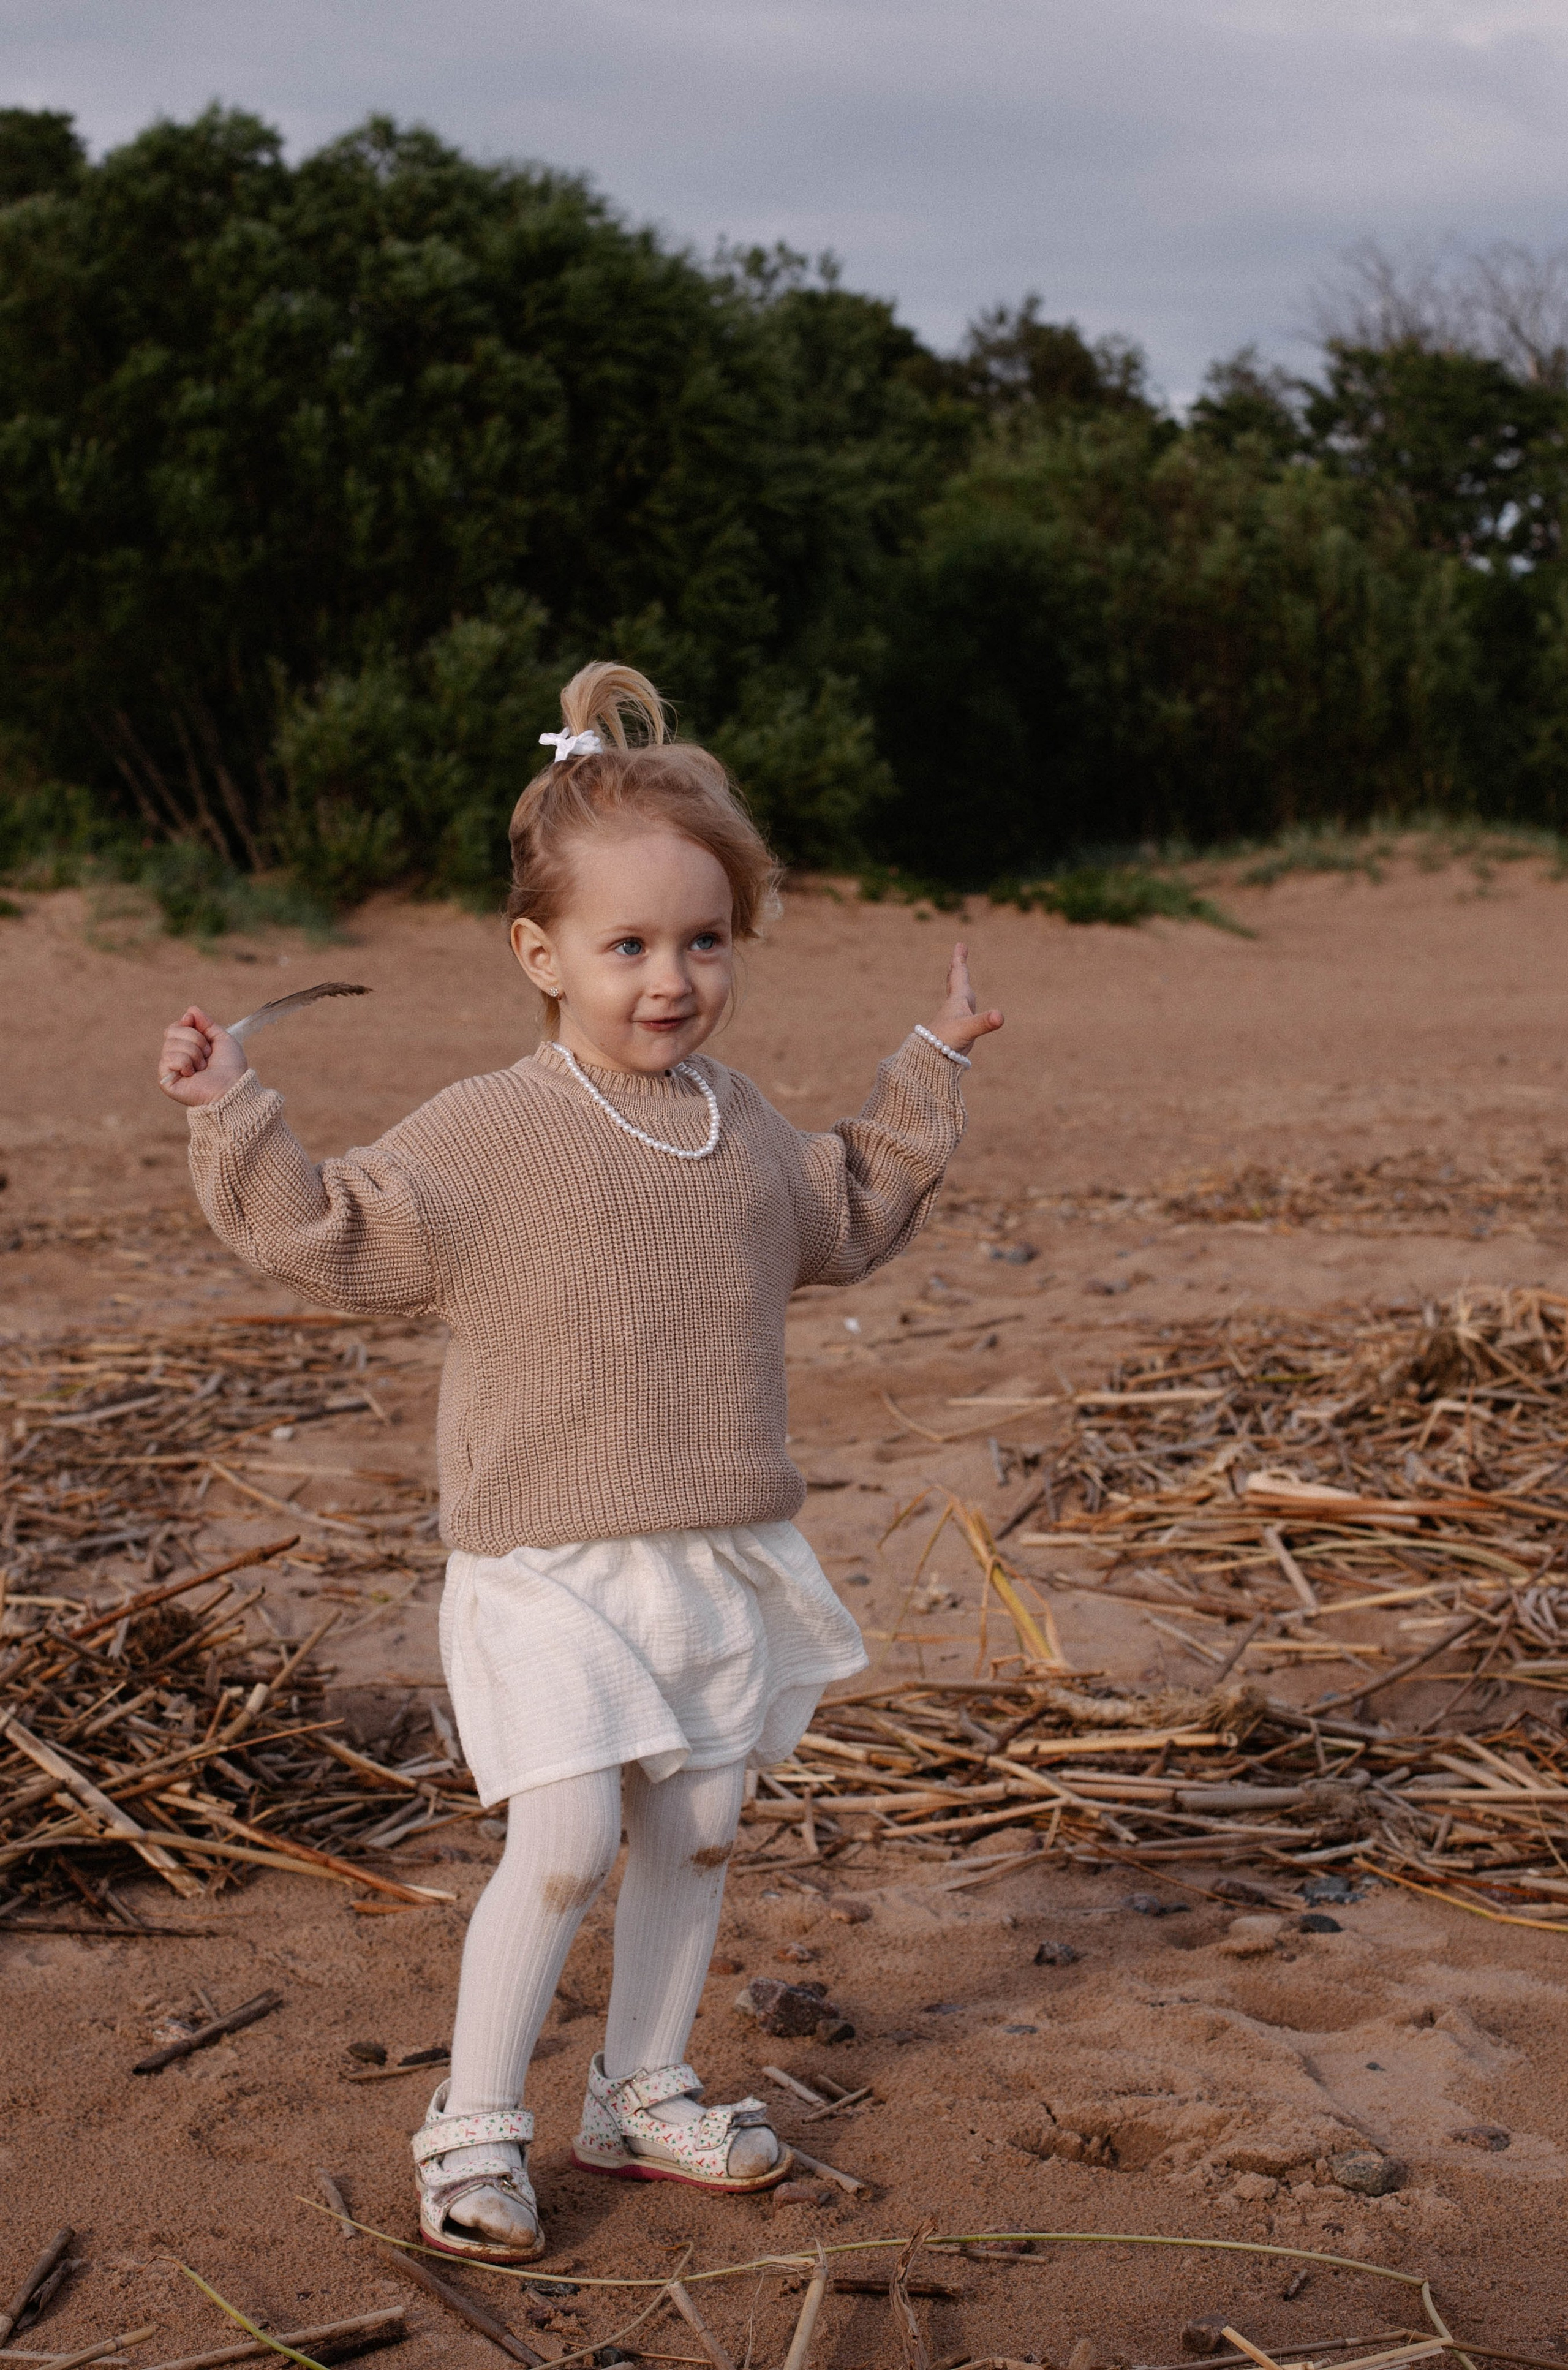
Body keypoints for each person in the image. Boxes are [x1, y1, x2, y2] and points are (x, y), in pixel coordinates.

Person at [156, 662, 1002, 2263]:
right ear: (541, 955)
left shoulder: (741, 1125)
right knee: (562, 1838)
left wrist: (933, 1060)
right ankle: (473, 2124)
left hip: (717, 1547)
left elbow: (850, 1209)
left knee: (699, 1825)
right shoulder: (488, 1130)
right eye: (627, 947)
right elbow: (329, 1233)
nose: (669, 979)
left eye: (703, 942)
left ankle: (641, 2089)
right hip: (545, 1562)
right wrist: (233, 1110)